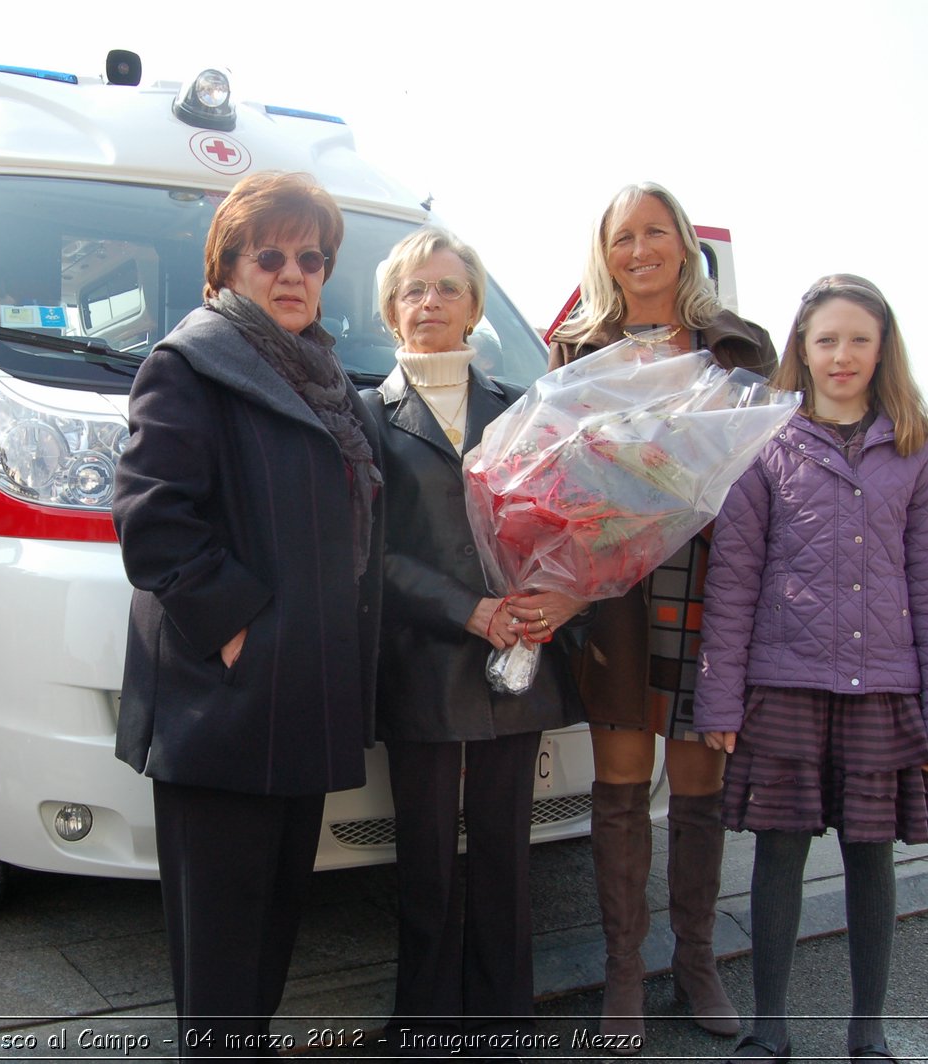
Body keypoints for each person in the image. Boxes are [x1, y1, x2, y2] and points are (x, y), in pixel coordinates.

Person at [112, 170, 383, 1057]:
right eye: (269, 256)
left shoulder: (327, 380)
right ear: (226, 268)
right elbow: (154, 524)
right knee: (222, 948)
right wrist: (242, 637)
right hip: (226, 705)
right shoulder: (188, 364)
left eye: (312, 257)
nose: (294, 272)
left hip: (300, 692)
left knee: (271, 930)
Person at [696, 274, 928, 1063]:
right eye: (826, 340)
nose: (842, 355)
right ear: (802, 350)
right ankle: (769, 1025)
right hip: (782, 684)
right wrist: (720, 699)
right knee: (778, 853)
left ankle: (868, 1031)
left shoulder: (916, 450)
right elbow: (735, 579)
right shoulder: (767, 442)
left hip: (883, 691)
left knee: (869, 858)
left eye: (859, 338)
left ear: (882, 347)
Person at [537, 182, 778, 1051]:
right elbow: (551, 476)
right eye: (621, 238)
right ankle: (626, 975)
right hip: (616, 595)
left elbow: (767, 474)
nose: (639, 251)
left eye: (655, 233)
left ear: (684, 244)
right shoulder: (574, 352)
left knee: (700, 783)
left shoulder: (740, 347)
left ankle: (699, 963)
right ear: (604, 255)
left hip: (712, 583)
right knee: (621, 784)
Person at [362, 227, 581, 1055]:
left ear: (475, 307)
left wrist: (556, 596)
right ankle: (420, 1019)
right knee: (422, 854)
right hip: (420, 661)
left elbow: (560, 525)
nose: (430, 303)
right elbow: (371, 552)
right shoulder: (366, 416)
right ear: (390, 309)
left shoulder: (522, 409)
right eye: (414, 290)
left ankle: (503, 1017)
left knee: (502, 852)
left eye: (448, 288)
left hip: (513, 661)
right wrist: (467, 608)